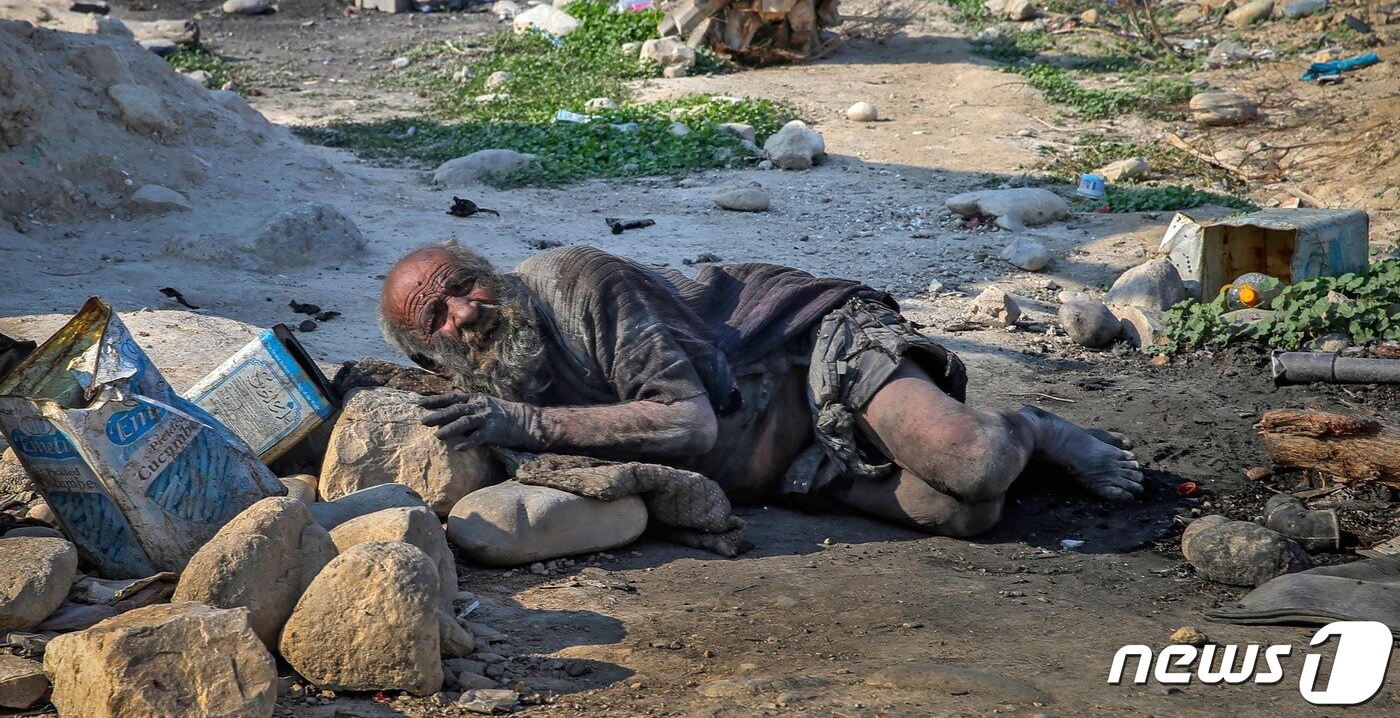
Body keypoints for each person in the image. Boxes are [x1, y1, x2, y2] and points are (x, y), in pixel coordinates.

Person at [376, 242, 1142, 536]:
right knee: (968, 513)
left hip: (804, 349)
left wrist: (526, 424)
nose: (466, 312)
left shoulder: (578, 285)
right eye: (438, 316)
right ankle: (935, 453)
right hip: (784, 466)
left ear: (489, 270)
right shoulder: (476, 383)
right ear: (428, 355)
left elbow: (688, 423)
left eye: (465, 285)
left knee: (974, 460)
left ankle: (1033, 427)